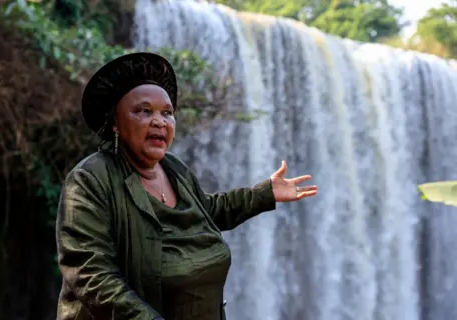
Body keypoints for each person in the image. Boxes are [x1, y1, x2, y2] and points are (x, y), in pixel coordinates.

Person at [55, 52, 318, 320]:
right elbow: (90, 273)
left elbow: (207, 210)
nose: (159, 121)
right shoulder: (90, 180)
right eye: (144, 111)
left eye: (167, 113)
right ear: (115, 123)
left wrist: (264, 193)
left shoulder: (173, 169)